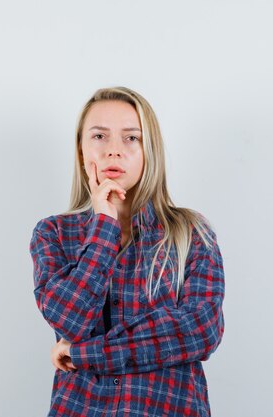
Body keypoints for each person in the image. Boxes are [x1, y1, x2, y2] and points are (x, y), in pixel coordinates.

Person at [29, 86, 225, 417]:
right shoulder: (53, 233)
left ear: (150, 150)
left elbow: (200, 330)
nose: (114, 151)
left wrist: (86, 354)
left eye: (131, 138)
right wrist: (104, 224)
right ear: (81, 151)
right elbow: (69, 320)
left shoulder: (191, 233)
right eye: (99, 137)